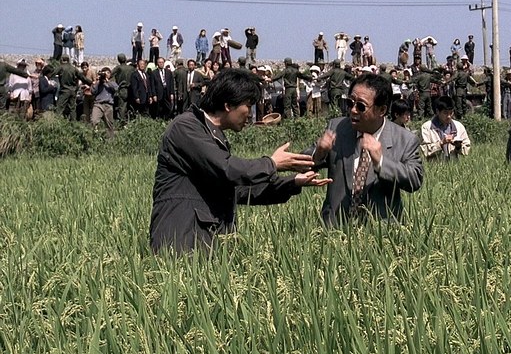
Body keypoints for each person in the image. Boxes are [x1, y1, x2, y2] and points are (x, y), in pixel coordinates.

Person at [149, 68, 328, 254]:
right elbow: (227, 169)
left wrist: (292, 182)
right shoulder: (186, 127)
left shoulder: (212, 135)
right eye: (248, 105)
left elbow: (238, 190)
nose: (250, 113)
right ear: (228, 105)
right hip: (179, 243)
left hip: (203, 243)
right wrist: (272, 164)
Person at [309, 73, 423, 226]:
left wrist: (381, 162)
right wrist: (319, 153)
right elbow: (302, 162)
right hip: (334, 229)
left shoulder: (405, 139)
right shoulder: (337, 128)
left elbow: (415, 179)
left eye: (361, 106)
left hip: (381, 233)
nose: (353, 110)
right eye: (350, 103)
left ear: (382, 110)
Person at [419, 95, 471, 160]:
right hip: (436, 165)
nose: (449, 116)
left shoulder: (459, 126)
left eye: (451, 113)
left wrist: (458, 146)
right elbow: (425, 151)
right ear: (437, 111)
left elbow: (467, 148)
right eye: (445, 113)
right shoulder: (427, 127)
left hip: (454, 164)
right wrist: (441, 143)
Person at [53, 55, 91, 119]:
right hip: (73, 91)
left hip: (64, 91)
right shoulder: (73, 68)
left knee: (59, 107)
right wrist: (91, 83)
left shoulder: (61, 67)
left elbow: (52, 73)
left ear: (62, 60)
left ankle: (57, 122)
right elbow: (82, 78)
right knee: (72, 109)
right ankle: (73, 122)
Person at [90, 67, 118, 138]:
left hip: (108, 105)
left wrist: (107, 81)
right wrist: (98, 82)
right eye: (104, 73)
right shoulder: (98, 83)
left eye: (107, 73)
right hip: (98, 104)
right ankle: (94, 137)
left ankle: (110, 139)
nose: (106, 74)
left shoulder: (112, 82)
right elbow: (93, 92)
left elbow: (116, 89)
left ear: (110, 74)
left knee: (109, 124)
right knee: (94, 121)